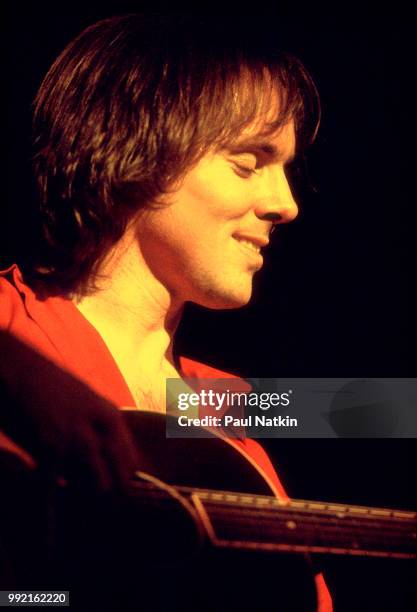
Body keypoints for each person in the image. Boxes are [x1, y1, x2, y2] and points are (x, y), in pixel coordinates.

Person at [0, 14, 332, 610]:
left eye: (286, 170)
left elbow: (370, 407)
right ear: (138, 151)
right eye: (249, 162)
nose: (286, 205)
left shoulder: (230, 405)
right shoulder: (10, 325)